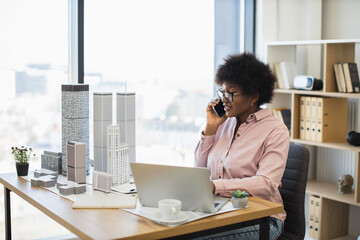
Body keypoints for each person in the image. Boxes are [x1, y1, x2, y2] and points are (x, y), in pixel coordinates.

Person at [194, 53, 290, 240]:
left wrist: (215, 186)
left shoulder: (276, 131)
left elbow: (266, 183)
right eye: (222, 91)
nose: (224, 99)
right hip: (222, 211)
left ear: (253, 95)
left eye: (232, 91)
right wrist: (210, 129)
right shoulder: (224, 124)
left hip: (262, 219)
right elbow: (200, 170)